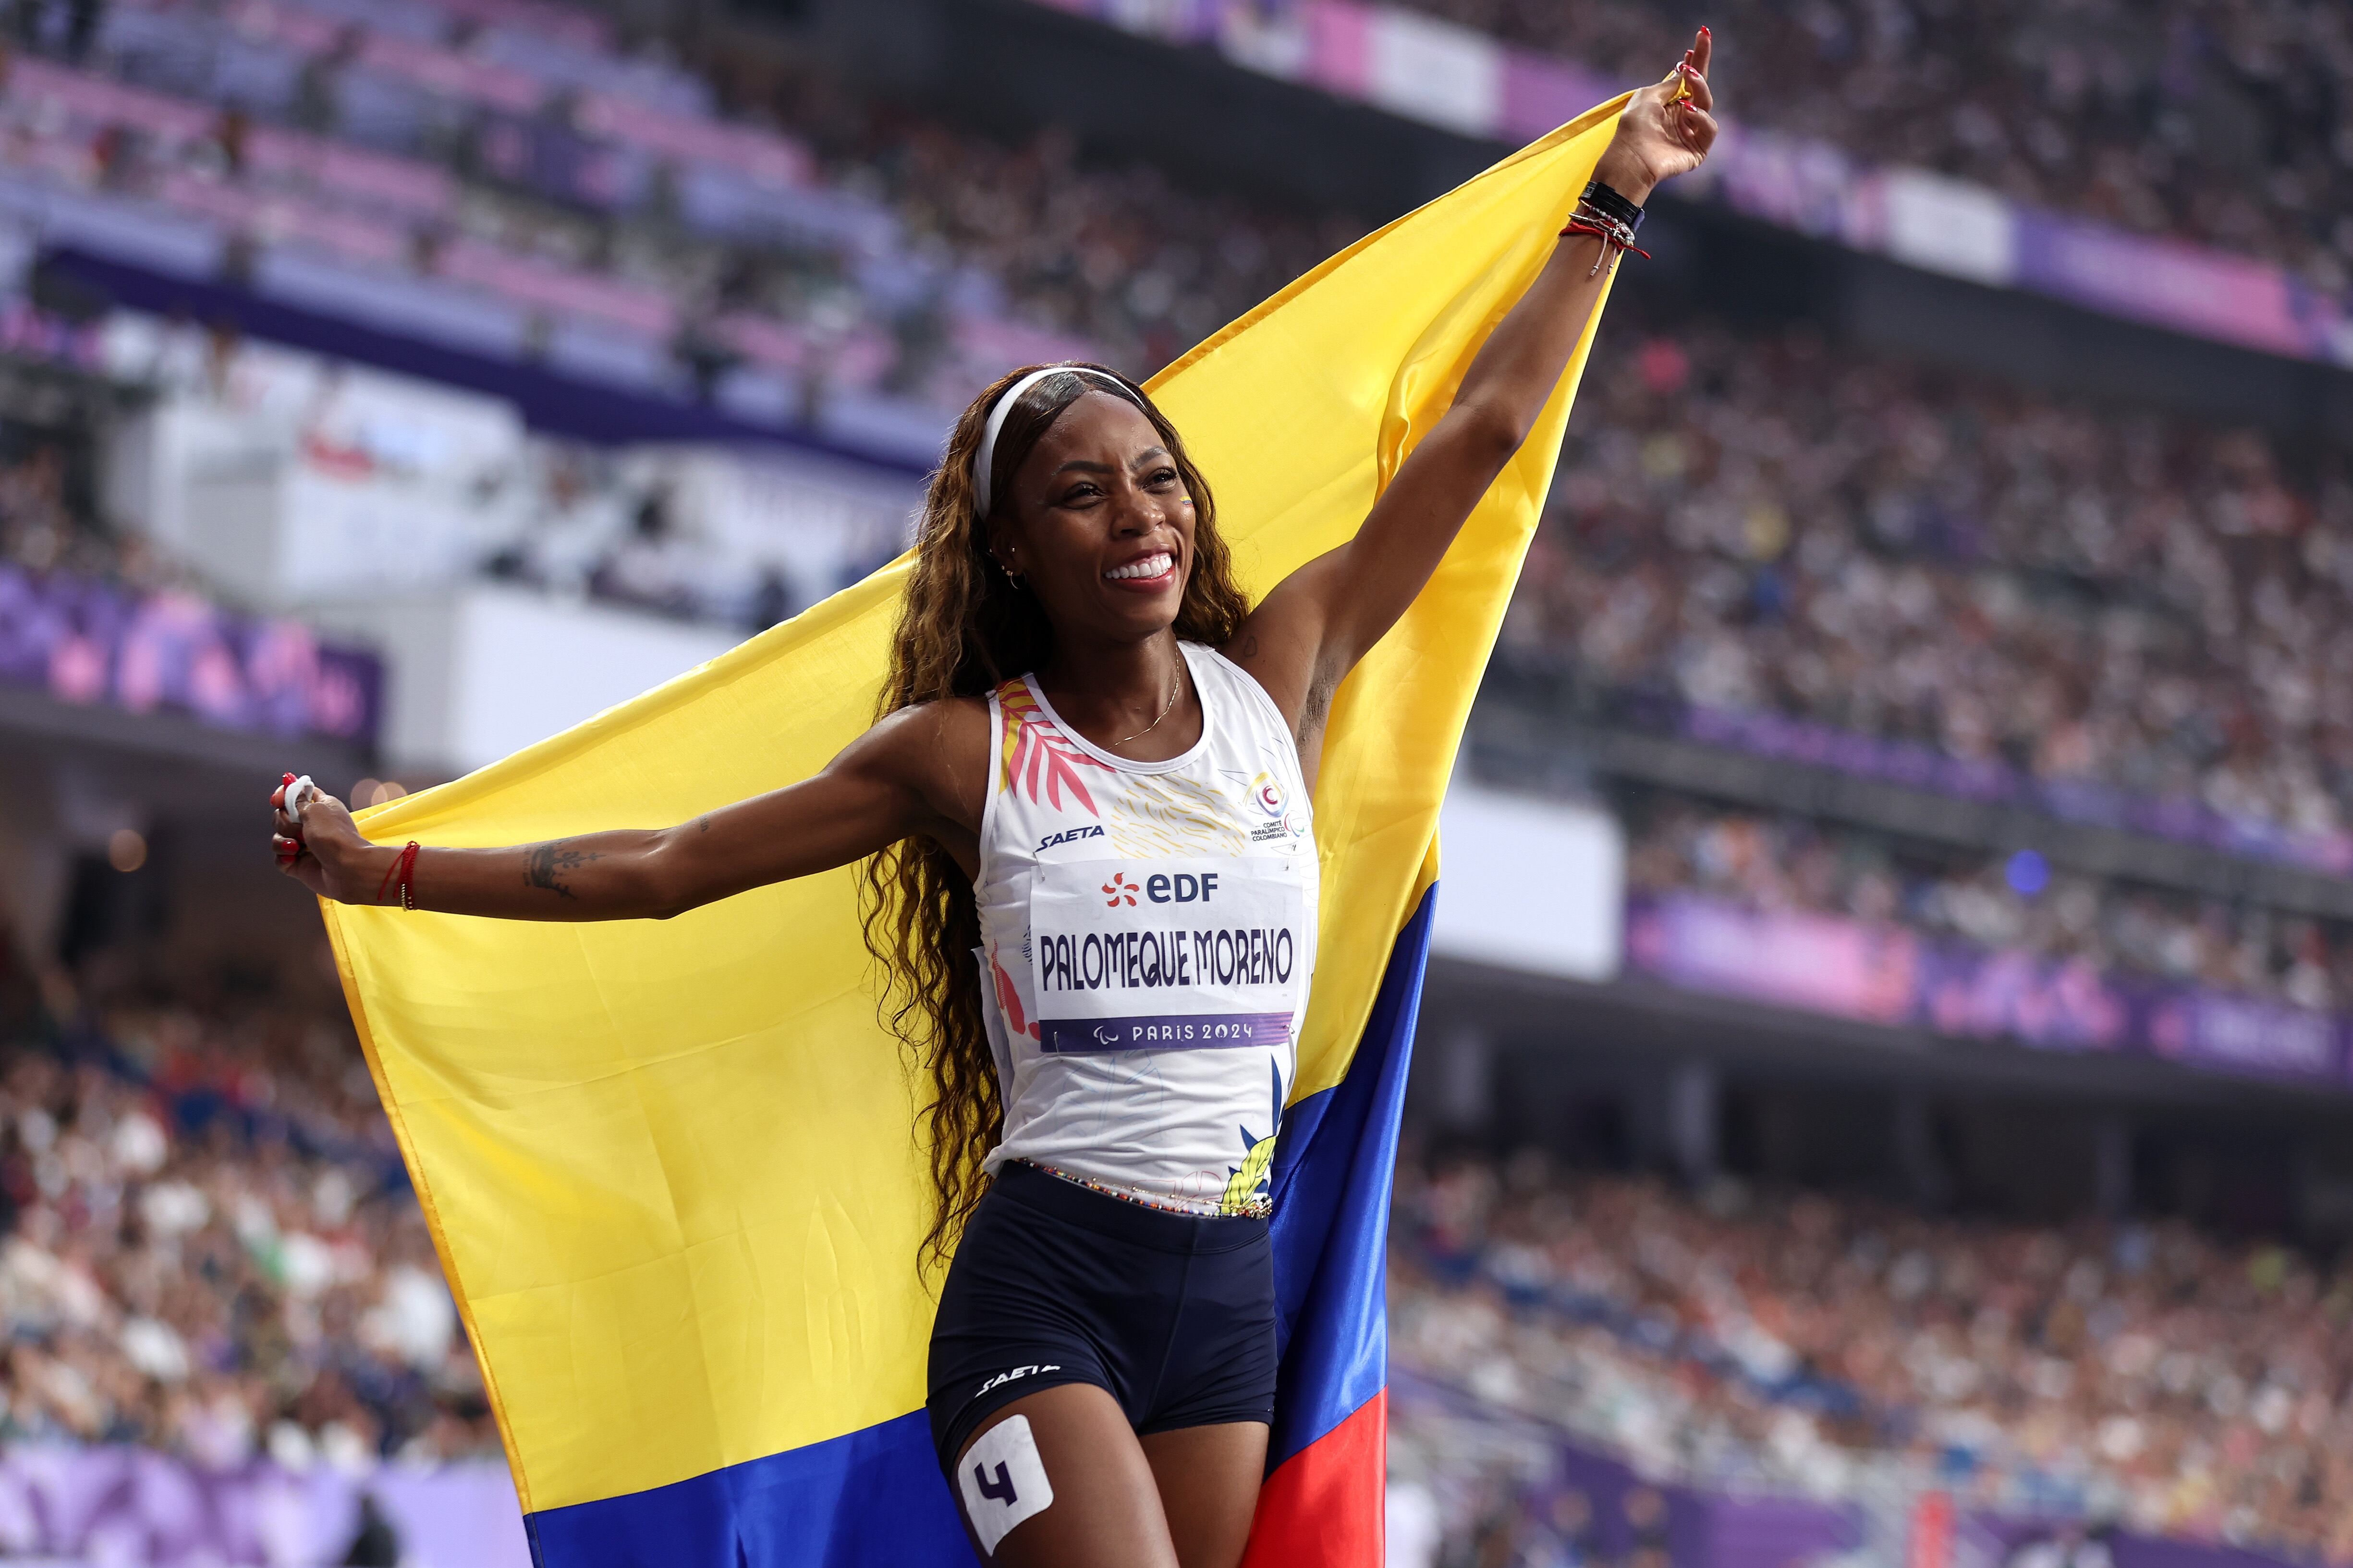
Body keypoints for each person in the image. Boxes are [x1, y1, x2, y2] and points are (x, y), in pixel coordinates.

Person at [268, 38, 1718, 1568]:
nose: (1139, 516)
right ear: (1014, 549)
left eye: (1157, 479)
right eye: (1081, 493)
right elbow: (671, 867)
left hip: (1226, 1300)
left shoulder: (1283, 668)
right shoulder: (963, 753)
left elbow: (1481, 432)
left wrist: (1614, 194)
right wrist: (395, 871)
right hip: (1045, 1294)